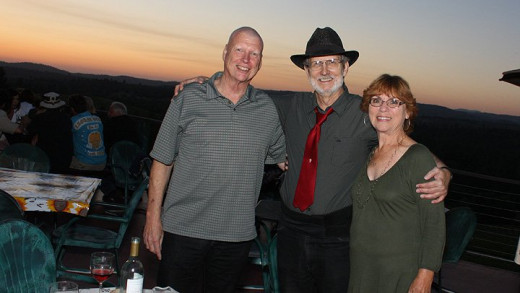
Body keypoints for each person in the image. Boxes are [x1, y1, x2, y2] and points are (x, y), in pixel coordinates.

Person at [174, 27, 451, 292]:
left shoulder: (366, 112)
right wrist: (205, 82)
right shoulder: (287, 106)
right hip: (291, 231)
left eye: (332, 62)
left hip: (339, 237)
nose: (325, 71)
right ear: (306, 70)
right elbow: (238, 92)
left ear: (346, 67)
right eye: (316, 64)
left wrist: (443, 171)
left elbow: (403, 144)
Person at [143, 27, 286, 293]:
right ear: (225, 53)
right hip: (182, 229)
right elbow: (162, 160)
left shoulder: (266, 109)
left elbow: (283, 158)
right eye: (240, 50)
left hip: (236, 236)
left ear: (261, 62)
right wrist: (153, 217)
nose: (246, 59)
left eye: (254, 54)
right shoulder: (188, 98)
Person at [349, 74, 445, 292]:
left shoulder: (417, 157)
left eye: (394, 102)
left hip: (399, 272)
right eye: (376, 100)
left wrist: (425, 275)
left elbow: (434, 224)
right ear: (368, 107)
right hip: (361, 267)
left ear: (408, 111)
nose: (383, 108)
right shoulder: (371, 152)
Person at [27, 92, 73, 174]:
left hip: (44, 156)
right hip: (62, 157)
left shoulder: (39, 118)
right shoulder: (66, 119)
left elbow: (30, 131)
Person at [68, 94, 107, 174]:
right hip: (102, 163)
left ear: (72, 109)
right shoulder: (98, 119)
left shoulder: (73, 121)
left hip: (84, 164)